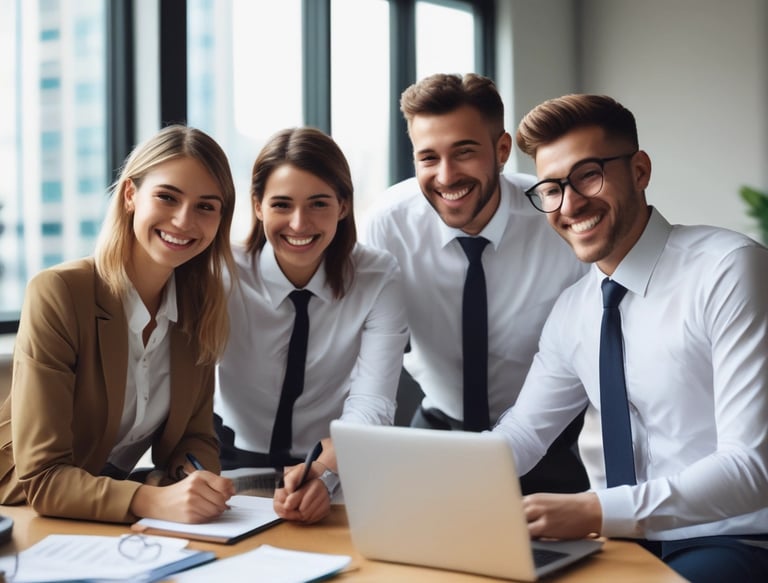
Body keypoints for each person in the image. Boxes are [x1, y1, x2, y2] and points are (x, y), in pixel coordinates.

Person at [493, 93, 768, 582]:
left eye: (588, 176)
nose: (570, 203)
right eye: (551, 188)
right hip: (614, 545)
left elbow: (751, 469)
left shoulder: (728, 268)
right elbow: (523, 435)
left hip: (732, 538)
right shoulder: (573, 309)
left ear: (639, 170)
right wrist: (416, 486)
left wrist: (594, 510)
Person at [364, 73, 590, 494]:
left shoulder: (556, 218)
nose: (446, 176)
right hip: (438, 431)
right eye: (428, 158)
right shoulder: (388, 224)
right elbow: (369, 348)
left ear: (502, 150)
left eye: (463, 153)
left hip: (552, 444)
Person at [0, 125, 237, 524]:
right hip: (20, 509)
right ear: (130, 195)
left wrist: (192, 478)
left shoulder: (200, 308)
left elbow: (196, 437)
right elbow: (42, 478)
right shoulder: (58, 293)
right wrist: (154, 501)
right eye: (167, 197)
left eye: (205, 206)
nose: (183, 220)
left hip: (107, 515)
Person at [214, 127, 408, 524]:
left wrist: (327, 472)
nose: (299, 224)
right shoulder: (222, 274)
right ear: (257, 206)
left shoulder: (377, 275)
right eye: (282, 205)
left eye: (318, 204)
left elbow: (373, 401)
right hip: (227, 458)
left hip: (329, 460)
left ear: (343, 205)